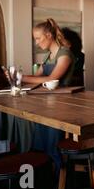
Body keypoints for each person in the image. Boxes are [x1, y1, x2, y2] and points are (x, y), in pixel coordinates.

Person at [22, 18, 75, 174]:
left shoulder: (65, 53)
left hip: (61, 107)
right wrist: (14, 81)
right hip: (46, 105)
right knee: (42, 146)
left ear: (49, 35)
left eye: (38, 38)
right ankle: (47, 177)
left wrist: (22, 77)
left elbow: (52, 79)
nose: (37, 43)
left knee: (53, 147)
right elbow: (35, 79)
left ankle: (61, 180)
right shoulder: (47, 56)